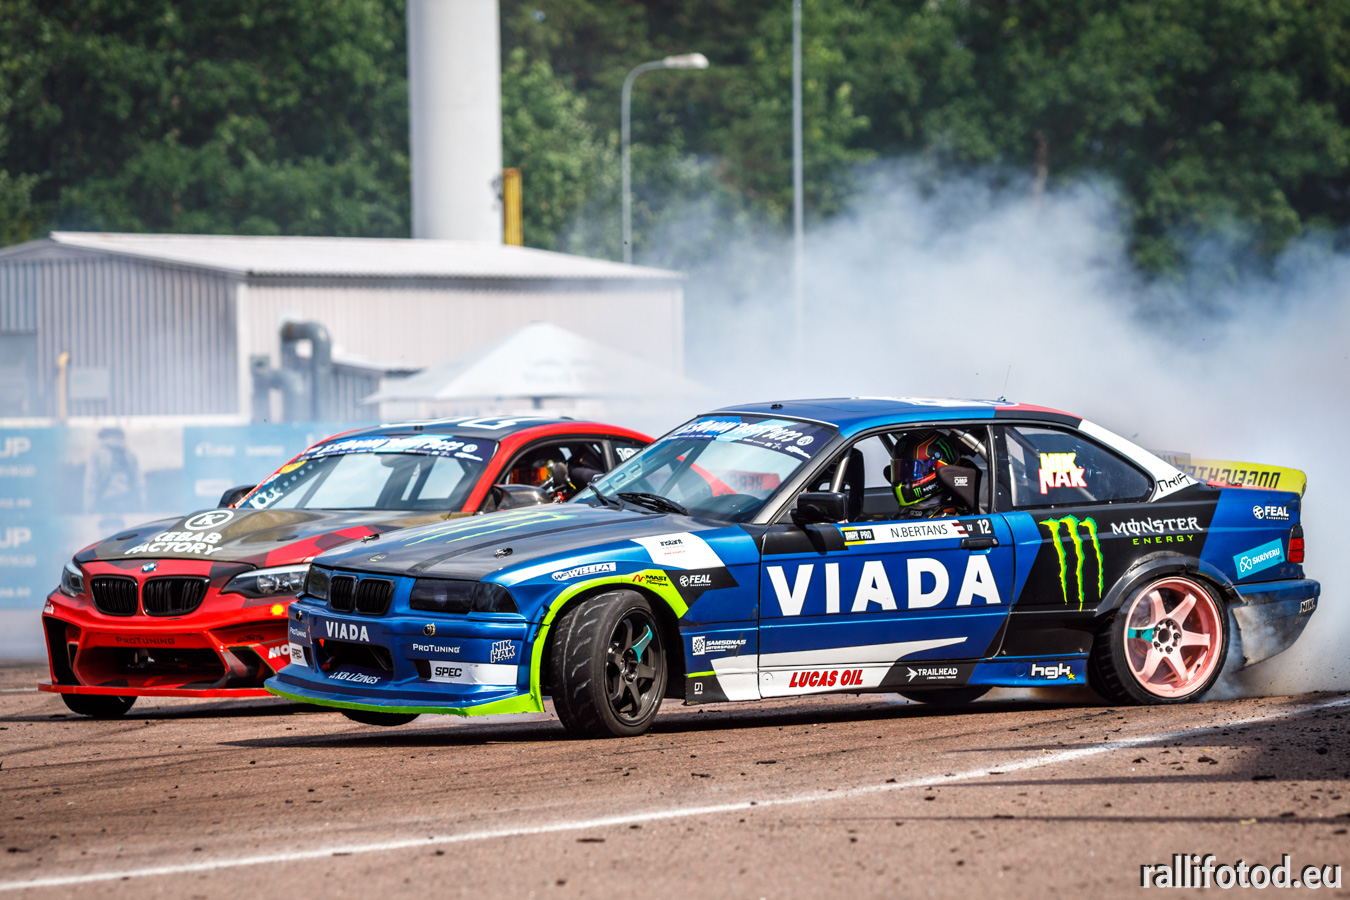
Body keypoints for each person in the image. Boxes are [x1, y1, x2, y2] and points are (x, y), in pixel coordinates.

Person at [891, 431, 960, 518]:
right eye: (902, 471)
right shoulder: (904, 513)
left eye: (913, 470)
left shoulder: (948, 518)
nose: (904, 480)